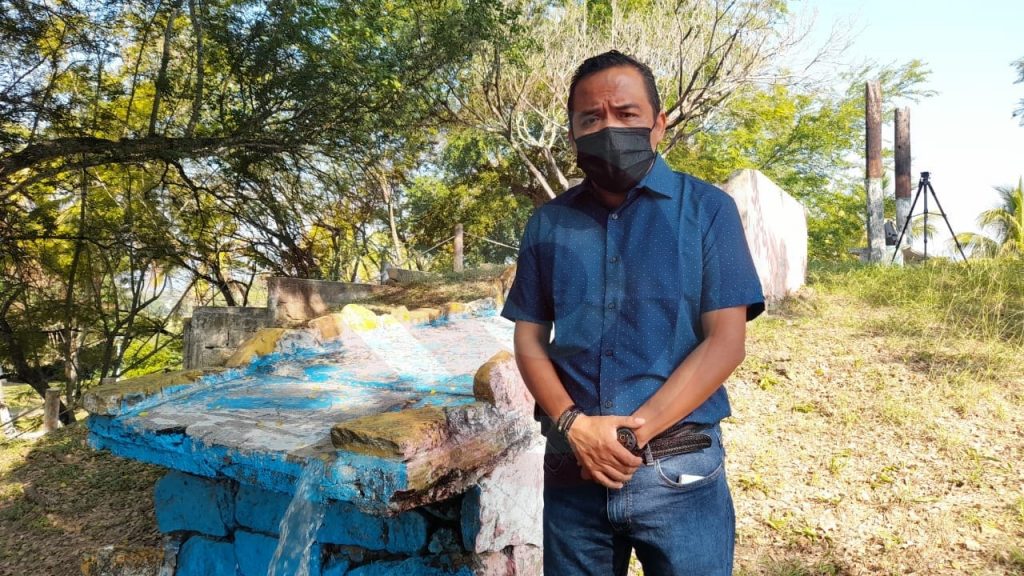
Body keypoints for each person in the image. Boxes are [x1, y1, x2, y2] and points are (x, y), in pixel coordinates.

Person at [499, 50, 765, 575]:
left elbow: (725, 342)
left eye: (626, 114)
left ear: (658, 124)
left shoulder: (707, 211)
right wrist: (575, 426)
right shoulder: (549, 223)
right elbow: (529, 339)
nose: (608, 128)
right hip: (573, 471)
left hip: (678, 468)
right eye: (590, 119)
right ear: (573, 134)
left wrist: (627, 437)